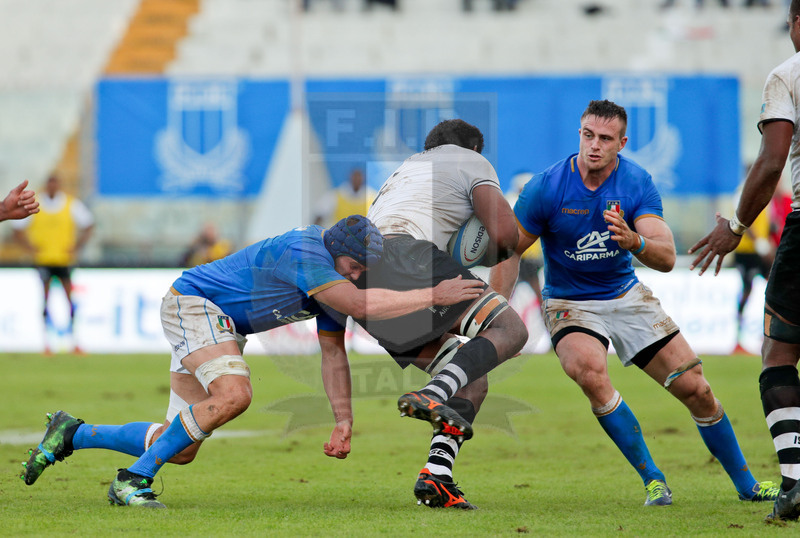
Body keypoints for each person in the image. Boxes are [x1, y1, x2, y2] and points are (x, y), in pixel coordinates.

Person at [20, 215, 485, 509]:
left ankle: (72, 433)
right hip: (195, 304)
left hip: (217, 323)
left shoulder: (331, 279)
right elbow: (362, 305)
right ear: (337, 252)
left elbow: (331, 352)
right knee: (235, 394)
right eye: (356, 266)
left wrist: (343, 419)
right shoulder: (307, 251)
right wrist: (434, 294)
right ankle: (131, 481)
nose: (359, 275)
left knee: (180, 446)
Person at [490, 99, 779, 507]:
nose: (594, 145)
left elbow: (664, 256)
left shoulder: (636, 183)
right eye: (588, 135)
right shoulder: (546, 186)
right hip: (570, 302)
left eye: (605, 139)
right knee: (588, 372)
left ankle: (747, 485)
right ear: (579, 134)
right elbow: (510, 250)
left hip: (625, 295)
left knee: (696, 389)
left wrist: (634, 241)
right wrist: (497, 310)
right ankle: (653, 479)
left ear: (621, 143)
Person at [357, 118, 528, 509]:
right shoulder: (470, 162)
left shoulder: (401, 174)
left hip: (367, 287)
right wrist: (475, 250)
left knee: (472, 379)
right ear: (472, 148)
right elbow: (505, 237)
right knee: (513, 330)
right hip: (410, 258)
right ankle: (432, 393)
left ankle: (437, 476)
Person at [688, 1, 800, 520]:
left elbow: (773, 159)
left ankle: (796, 483)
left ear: (797, 23)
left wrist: (734, 225)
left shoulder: (788, 75)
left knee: (779, 354)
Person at [12, 174, 94, 354]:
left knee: (69, 300)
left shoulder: (70, 204)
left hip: (64, 260)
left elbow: (89, 225)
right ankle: (47, 342)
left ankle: (74, 341)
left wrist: (77, 247)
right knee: (46, 300)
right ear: (47, 185)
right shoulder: (37, 204)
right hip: (43, 260)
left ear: (59, 185)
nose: (52, 186)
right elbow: (17, 230)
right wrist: (30, 248)